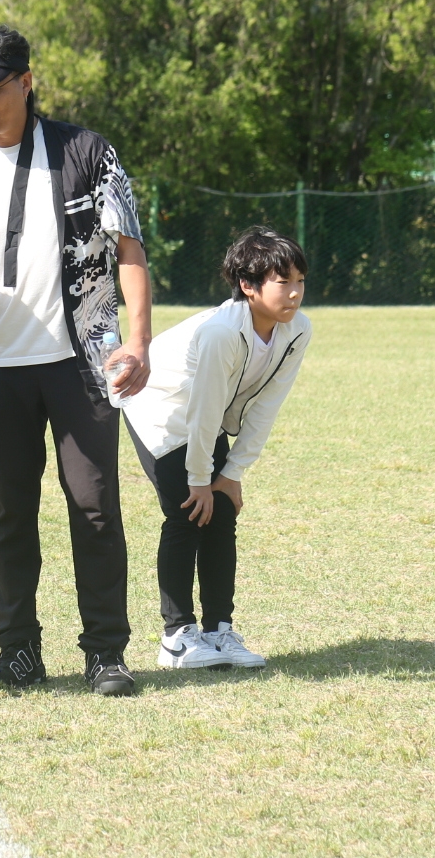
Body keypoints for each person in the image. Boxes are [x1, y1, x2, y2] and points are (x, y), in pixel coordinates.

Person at [0, 24, 153, 697]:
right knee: (11, 514)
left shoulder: (86, 154)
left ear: (26, 82)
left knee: (94, 507)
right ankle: (17, 651)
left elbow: (128, 246)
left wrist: (138, 342)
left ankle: (106, 653)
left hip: (80, 364)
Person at [121, 227, 312, 670]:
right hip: (159, 406)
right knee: (188, 511)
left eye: (300, 281)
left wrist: (230, 475)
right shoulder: (221, 333)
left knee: (221, 511)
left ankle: (218, 631)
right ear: (248, 285)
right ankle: (176, 638)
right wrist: (198, 481)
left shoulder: (297, 330)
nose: (295, 293)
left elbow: (266, 407)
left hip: (204, 413)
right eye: (283, 282)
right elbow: (202, 413)